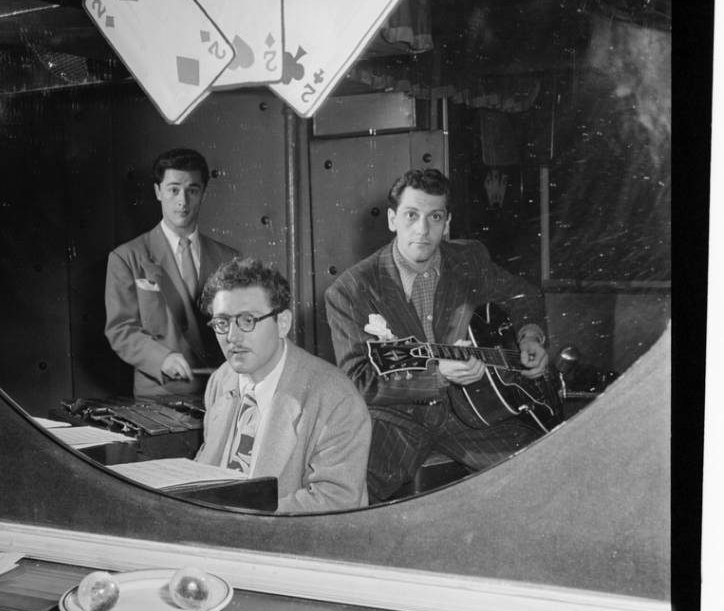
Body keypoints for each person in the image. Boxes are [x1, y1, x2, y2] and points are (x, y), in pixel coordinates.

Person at [324, 168, 550, 504]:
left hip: (478, 415)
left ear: (447, 222)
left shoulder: (469, 259)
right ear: (392, 219)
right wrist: (437, 375)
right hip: (397, 419)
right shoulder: (352, 289)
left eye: (435, 217)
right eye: (411, 215)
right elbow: (359, 379)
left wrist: (530, 336)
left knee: (548, 477)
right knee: (343, 502)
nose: (423, 230)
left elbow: (523, 296)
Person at [195, 257, 371, 514]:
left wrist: (239, 519)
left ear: (283, 323)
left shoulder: (335, 398)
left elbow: (336, 501)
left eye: (247, 320)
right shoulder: (221, 380)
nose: (232, 337)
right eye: (222, 322)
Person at [105, 148, 239, 399]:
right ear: (158, 192)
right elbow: (120, 328)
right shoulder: (126, 257)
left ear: (203, 194)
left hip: (223, 392)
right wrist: (162, 359)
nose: (183, 201)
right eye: (174, 189)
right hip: (159, 394)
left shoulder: (229, 259)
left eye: (192, 191)